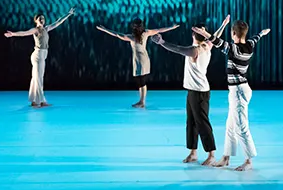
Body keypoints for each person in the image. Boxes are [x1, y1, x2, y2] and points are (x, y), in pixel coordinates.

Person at [151, 16, 231, 165]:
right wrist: (223, 25)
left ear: (193, 35)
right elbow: (216, 37)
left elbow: (177, 49)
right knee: (191, 122)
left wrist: (162, 42)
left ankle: (211, 154)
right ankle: (193, 152)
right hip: (193, 91)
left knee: (202, 123)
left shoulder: (196, 50)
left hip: (199, 92)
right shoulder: (207, 45)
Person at [192, 19, 270, 171]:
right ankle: (226, 157)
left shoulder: (235, 49)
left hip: (239, 92)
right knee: (230, 125)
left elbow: (218, 42)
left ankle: (248, 161)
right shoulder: (249, 45)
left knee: (241, 126)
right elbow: (256, 38)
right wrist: (262, 33)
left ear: (233, 33)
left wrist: (204, 34)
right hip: (238, 90)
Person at [97, 19, 178, 108]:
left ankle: (142, 101)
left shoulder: (133, 36)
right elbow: (159, 30)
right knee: (140, 81)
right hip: (141, 59)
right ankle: (141, 101)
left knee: (141, 81)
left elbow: (117, 34)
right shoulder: (144, 33)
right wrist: (171, 27)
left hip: (141, 60)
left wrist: (105, 29)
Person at [4, 7, 75, 107]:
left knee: (36, 78)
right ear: (36, 20)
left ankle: (34, 100)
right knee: (38, 78)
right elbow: (24, 33)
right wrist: (13, 34)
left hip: (42, 56)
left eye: (43, 18)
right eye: (40, 18)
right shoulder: (35, 30)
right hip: (37, 55)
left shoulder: (46, 29)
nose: (42, 20)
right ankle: (41, 101)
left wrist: (68, 14)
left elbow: (58, 22)